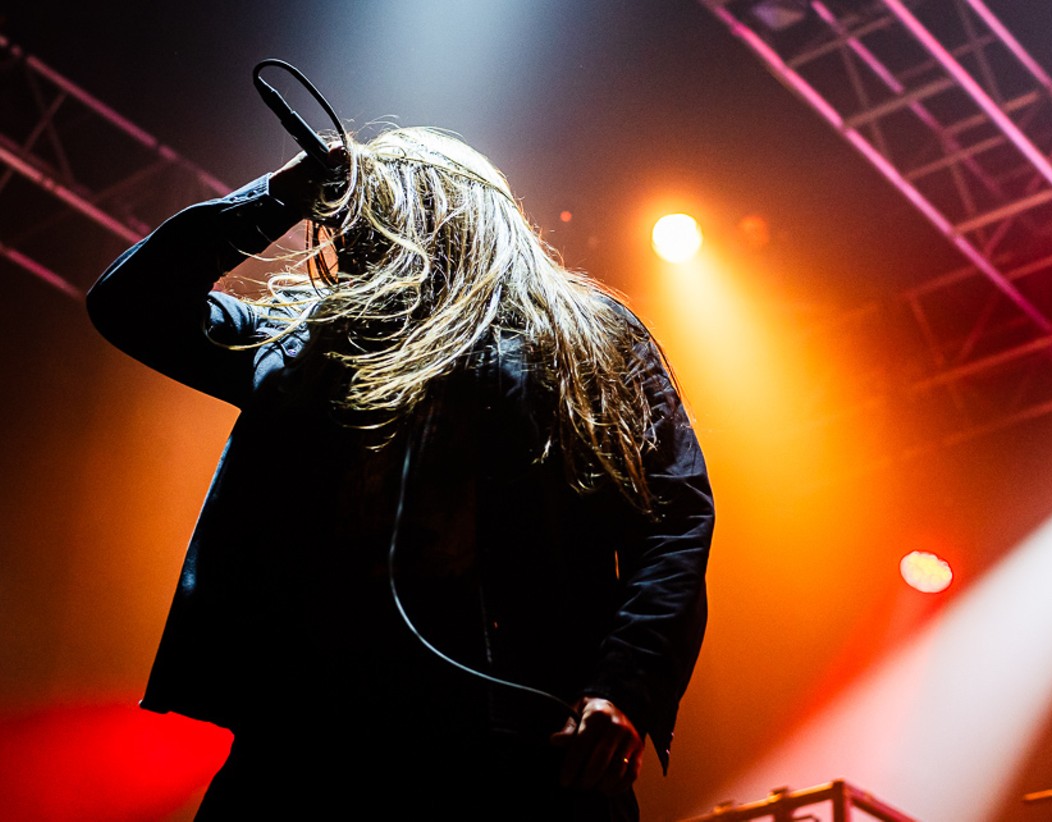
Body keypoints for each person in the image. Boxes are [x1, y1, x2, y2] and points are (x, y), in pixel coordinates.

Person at [86, 127, 714, 819]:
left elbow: (674, 517)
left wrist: (627, 683)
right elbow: (130, 304)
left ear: (452, 209)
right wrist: (278, 196)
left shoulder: (586, 331)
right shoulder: (304, 336)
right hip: (311, 735)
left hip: (516, 734)